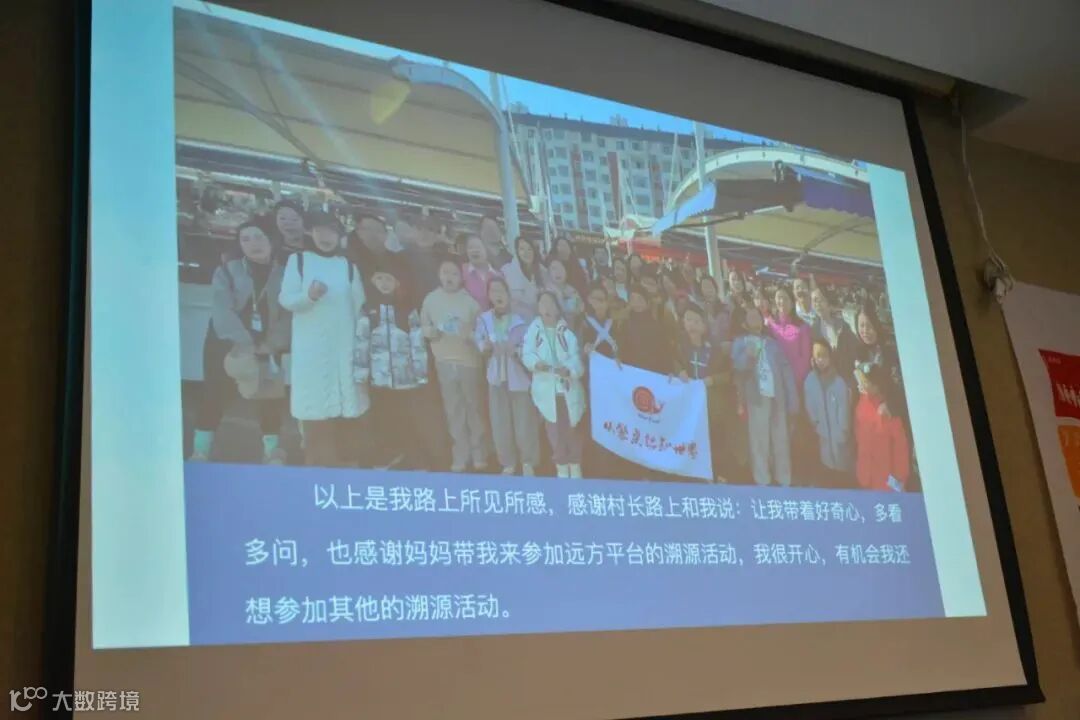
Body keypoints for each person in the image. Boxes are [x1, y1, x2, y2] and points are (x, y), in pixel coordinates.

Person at [192, 220, 289, 463]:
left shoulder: (286, 272)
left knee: (270, 396)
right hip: (227, 342)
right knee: (214, 394)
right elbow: (221, 310)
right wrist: (245, 343)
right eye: (245, 239)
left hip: (267, 343)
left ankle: (271, 452)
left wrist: (271, 343)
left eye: (258, 237)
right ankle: (200, 451)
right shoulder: (226, 270)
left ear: (272, 240)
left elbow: (288, 315)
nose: (253, 243)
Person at [278, 211, 369, 467]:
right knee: (315, 410)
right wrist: (309, 296)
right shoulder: (298, 261)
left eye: (332, 232)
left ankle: (347, 468)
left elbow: (359, 305)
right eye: (320, 231)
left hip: (344, 348)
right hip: (312, 350)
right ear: (310, 233)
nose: (325, 237)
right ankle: (318, 469)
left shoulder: (348, 266)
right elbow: (286, 299)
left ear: (340, 236)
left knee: (347, 408)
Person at [355, 258, 442, 471]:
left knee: (408, 420)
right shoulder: (368, 310)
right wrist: (360, 373)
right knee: (383, 419)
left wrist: (420, 374)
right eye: (380, 279)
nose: (384, 284)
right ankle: (386, 457)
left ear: (397, 283)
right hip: (379, 380)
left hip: (406, 379)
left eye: (389, 279)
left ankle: (415, 459)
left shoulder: (407, 310)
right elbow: (361, 343)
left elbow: (417, 343)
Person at [421, 259, 488, 472]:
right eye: (445, 272)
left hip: (469, 362)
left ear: (461, 277)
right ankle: (460, 454)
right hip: (444, 362)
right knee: (453, 410)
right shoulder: (431, 299)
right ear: (439, 275)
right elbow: (423, 328)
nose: (449, 277)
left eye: (454, 273)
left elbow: (482, 334)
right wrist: (434, 332)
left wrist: (469, 334)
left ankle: (479, 453)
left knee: (474, 408)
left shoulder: (470, 303)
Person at [475, 277, 539, 475]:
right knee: (499, 421)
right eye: (493, 291)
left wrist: (517, 351)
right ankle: (507, 462)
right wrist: (484, 346)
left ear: (508, 294)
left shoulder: (521, 319)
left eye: (501, 291)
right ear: (489, 296)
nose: (498, 295)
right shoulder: (483, 319)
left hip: (518, 376)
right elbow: (479, 341)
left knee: (524, 422)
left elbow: (530, 346)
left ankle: (528, 461)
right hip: (496, 377)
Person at [732, 306, 799, 487]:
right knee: (759, 440)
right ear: (744, 323)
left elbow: (786, 370)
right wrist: (748, 356)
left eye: (758, 316)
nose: (756, 319)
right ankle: (762, 480)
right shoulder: (740, 342)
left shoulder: (772, 343)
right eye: (751, 316)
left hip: (777, 396)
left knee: (781, 438)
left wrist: (792, 399)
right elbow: (737, 368)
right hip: (756, 397)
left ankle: (784, 479)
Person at [523, 291, 586, 478]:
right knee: (554, 432)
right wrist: (536, 364)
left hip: (567, 390)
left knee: (572, 429)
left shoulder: (566, 332)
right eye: (543, 304)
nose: (547, 308)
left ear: (558, 308)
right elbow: (527, 354)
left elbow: (577, 360)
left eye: (551, 304)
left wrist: (569, 370)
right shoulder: (533, 331)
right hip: (546, 390)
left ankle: (575, 466)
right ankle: (561, 466)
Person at [675, 305, 736, 482]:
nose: (692, 325)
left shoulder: (715, 349)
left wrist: (713, 380)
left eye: (696, 321)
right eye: (688, 320)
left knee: (714, 441)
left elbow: (728, 375)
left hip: (711, 405)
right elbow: (671, 364)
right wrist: (678, 370)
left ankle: (718, 475)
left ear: (704, 326)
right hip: (687, 406)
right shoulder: (678, 346)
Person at [804, 339, 853, 486]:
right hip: (823, 433)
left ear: (830, 357)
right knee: (827, 465)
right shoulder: (810, 380)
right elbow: (810, 404)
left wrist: (844, 429)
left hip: (839, 435)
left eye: (824, 356)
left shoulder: (838, 381)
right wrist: (815, 422)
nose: (820, 360)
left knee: (842, 467)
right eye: (817, 356)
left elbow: (844, 408)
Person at [854, 364, 911, 491]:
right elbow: (858, 431)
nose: (862, 385)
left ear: (876, 385)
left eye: (866, 382)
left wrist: (900, 477)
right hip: (866, 473)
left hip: (885, 479)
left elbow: (900, 447)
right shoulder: (862, 401)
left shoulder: (888, 410)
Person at [853, 302, 904, 421]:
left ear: (877, 326)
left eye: (869, 326)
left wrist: (889, 405)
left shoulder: (889, 351)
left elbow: (900, 386)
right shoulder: (858, 351)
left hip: (890, 413)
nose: (865, 331)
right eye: (861, 326)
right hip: (869, 413)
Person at [810, 286, 859, 386]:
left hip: (846, 377)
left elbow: (854, 352)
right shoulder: (814, 329)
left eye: (820, 300)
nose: (817, 304)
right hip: (826, 380)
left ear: (828, 302)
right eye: (814, 301)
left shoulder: (843, 325)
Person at [619, 284, 670, 373]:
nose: (636, 303)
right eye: (632, 299)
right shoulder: (625, 324)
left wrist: (669, 370)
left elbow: (665, 351)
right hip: (631, 371)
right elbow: (622, 348)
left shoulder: (657, 324)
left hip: (654, 371)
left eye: (639, 299)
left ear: (647, 301)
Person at [767, 286, 812, 383]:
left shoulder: (802, 327)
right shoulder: (770, 324)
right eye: (779, 297)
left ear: (792, 303)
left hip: (795, 379)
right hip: (776, 379)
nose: (782, 301)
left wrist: (794, 379)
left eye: (786, 298)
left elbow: (805, 358)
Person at [400, 210, 442, 308]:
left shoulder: (447, 261)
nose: (424, 233)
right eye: (419, 228)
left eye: (430, 229)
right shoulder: (399, 258)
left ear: (437, 234)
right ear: (412, 231)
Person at [347, 212, 391, 300]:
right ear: (357, 232)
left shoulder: (395, 261)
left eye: (378, 230)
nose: (373, 235)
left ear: (386, 235)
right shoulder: (345, 261)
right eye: (367, 229)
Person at [501, 236, 542, 321]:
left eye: (529, 249)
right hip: (516, 320)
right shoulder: (506, 270)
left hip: (538, 320)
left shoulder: (542, 271)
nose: (526, 252)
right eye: (522, 249)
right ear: (517, 252)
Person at [460, 233, 502, 310]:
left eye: (478, 247)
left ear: (486, 249)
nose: (475, 250)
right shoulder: (460, 271)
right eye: (470, 247)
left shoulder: (498, 275)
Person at [545, 257, 585, 332]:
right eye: (554, 269)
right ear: (549, 273)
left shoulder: (572, 291)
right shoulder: (546, 293)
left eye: (561, 268)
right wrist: (559, 295)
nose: (558, 272)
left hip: (571, 331)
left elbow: (580, 310)